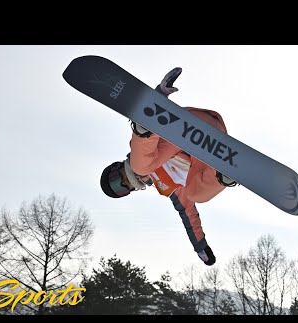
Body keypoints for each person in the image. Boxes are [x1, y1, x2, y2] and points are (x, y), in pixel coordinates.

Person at [100, 67, 235, 266]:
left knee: (141, 165)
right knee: (196, 195)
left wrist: (159, 97)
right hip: (213, 146)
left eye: (115, 180)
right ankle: (225, 175)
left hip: (191, 126)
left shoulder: (139, 156)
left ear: (117, 167)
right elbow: (189, 216)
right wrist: (200, 246)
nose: (123, 182)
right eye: (121, 189)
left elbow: (141, 156)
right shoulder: (167, 186)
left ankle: (147, 123)